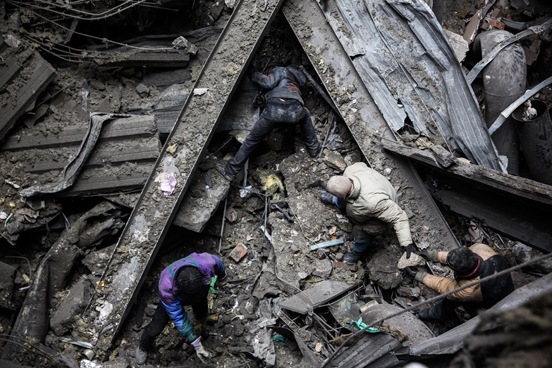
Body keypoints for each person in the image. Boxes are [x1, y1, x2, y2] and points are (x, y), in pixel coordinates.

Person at [220, 65, 321, 181]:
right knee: (306, 114)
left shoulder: (281, 70)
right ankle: (313, 149)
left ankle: (230, 172)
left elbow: (268, 82)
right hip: (295, 111)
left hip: (274, 110)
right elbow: (303, 84)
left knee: (251, 141)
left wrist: (252, 71)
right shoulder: (298, 77)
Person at [135, 252, 227, 365]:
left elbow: (219, 264)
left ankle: (200, 317)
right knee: (155, 328)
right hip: (175, 298)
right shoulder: (166, 287)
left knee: (201, 309)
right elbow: (178, 316)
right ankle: (143, 346)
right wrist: (196, 343)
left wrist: (222, 277)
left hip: (200, 291)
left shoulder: (206, 263)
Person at [319, 162, 416, 264]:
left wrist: (406, 243)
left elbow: (398, 216)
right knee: (342, 200)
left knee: (367, 234)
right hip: (373, 189)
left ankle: (356, 253)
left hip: (381, 207)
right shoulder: (350, 171)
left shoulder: (373, 202)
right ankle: (336, 200)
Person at [407, 243, 514, 322]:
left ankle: (437, 313)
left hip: (494, 303)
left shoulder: (469, 289)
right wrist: (434, 255)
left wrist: (421, 276)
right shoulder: (481, 249)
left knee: (451, 299)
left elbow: (444, 286)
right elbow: (460, 257)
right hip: (503, 283)